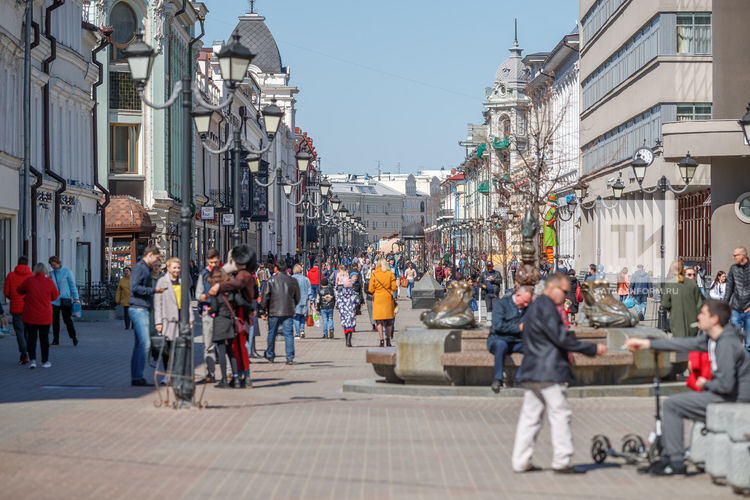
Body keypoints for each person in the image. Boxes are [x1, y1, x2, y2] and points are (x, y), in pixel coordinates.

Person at [625, 300, 750, 476]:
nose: (698, 316)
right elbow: (682, 344)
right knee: (673, 405)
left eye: (703, 313)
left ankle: (675, 463)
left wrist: (705, 383)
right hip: (725, 396)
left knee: (672, 405)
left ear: (714, 319)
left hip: (735, 401)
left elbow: (726, 385)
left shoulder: (726, 344)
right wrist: (647, 344)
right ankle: (669, 458)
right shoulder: (713, 339)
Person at [511, 273, 607, 474]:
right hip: (549, 370)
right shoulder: (547, 308)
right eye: (564, 291)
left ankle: (520, 461)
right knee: (560, 413)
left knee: (531, 416)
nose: (565, 296)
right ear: (552, 288)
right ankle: (562, 460)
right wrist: (591, 349)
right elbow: (561, 338)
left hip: (533, 369)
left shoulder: (535, 307)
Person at [209, 245, 259, 384]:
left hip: (241, 313)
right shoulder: (244, 274)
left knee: (240, 345)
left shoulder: (243, 275)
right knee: (237, 345)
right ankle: (241, 375)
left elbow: (236, 284)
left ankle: (245, 376)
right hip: (241, 312)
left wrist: (220, 285)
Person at [129, 245, 166, 387]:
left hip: (142, 308)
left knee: (139, 344)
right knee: (145, 344)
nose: (156, 261)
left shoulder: (145, 268)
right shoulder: (140, 267)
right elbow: (134, 287)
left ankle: (136, 377)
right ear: (150, 254)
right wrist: (153, 290)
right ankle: (138, 377)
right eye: (156, 258)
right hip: (138, 308)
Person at [154, 257, 194, 385]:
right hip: (168, 320)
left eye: (178, 268)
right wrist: (158, 322)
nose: (176, 270)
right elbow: (157, 303)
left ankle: (178, 374)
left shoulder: (182, 282)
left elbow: (188, 302)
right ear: (168, 268)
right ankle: (167, 375)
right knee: (167, 350)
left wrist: (191, 318)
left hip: (181, 318)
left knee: (180, 348)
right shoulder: (162, 282)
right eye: (174, 267)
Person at [487, 286, 533, 393]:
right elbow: (498, 326)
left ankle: (519, 378)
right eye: (525, 302)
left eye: (528, 302)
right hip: (499, 338)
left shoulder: (527, 307)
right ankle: (497, 379)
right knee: (500, 345)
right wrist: (518, 328)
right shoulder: (502, 304)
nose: (526, 305)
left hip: (517, 341)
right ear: (517, 295)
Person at [18, 263, 60, 369]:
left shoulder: (29, 281)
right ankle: (45, 361)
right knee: (44, 339)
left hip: (30, 315)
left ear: (35, 270)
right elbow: (55, 296)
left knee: (31, 338)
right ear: (45, 271)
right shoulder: (49, 282)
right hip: (45, 315)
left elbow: (19, 290)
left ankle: (32, 360)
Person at [259, 261, 300, 365]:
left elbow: (265, 297)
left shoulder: (271, 280)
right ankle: (289, 357)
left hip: (273, 312)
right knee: (289, 334)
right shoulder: (292, 280)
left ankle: (270, 355)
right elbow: (297, 296)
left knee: (271, 333)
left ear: (276, 268)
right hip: (288, 311)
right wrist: (292, 305)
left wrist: (263, 310)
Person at [208, 268, 239, 388]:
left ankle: (224, 379)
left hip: (220, 322)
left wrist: (208, 311)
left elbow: (214, 309)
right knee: (231, 351)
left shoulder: (217, 292)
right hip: (230, 322)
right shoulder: (231, 291)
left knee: (221, 351)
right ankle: (235, 378)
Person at [195, 248, 221, 382]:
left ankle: (228, 373)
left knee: (224, 345)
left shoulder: (224, 274)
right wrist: (203, 298)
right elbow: (198, 294)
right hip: (208, 311)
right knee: (208, 345)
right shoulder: (204, 274)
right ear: (207, 261)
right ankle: (211, 373)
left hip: (222, 313)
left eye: (216, 262)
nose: (214, 265)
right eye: (211, 262)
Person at [662, 261, 702, 337]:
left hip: (676, 320)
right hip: (692, 320)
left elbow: (665, 303)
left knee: (679, 343)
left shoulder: (670, 283)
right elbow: (699, 304)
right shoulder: (692, 283)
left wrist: (673, 309)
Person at [4, 256, 32, 365]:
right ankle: (25, 352)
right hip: (29, 308)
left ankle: (24, 353)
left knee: (19, 331)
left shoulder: (11, 275)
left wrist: (13, 298)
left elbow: (6, 292)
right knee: (27, 331)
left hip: (16, 308)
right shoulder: (31, 276)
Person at [48, 256, 79, 346]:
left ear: (58, 263)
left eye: (54, 265)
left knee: (67, 320)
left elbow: (72, 285)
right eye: (51, 265)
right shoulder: (51, 274)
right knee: (55, 321)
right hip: (54, 301)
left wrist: (76, 297)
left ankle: (73, 336)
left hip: (65, 299)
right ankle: (55, 340)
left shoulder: (67, 272)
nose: (52, 267)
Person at [725, 247, 750, 354]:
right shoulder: (733, 268)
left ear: (743, 256)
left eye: (736, 255)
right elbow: (729, 287)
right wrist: (724, 304)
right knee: (735, 342)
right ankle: (736, 368)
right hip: (735, 309)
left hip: (749, 310)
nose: (733, 257)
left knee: (749, 344)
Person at [368, 258, 398, 347]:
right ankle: (388, 339)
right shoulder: (390, 274)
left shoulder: (375, 274)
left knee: (379, 321)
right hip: (388, 299)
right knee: (389, 321)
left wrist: (376, 292)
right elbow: (394, 287)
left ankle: (381, 340)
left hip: (377, 299)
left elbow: (370, 289)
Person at [292, 264, 313, 339]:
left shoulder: (291, 279)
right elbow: (309, 290)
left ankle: (297, 334)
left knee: (295, 317)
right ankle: (302, 330)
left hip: (294, 301)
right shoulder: (306, 279)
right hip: (304, 301)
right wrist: (311, 300)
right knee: (302, 316)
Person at [338, 281, 359, 347]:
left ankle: (347, 339)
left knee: (345, 325)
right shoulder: (353, 293)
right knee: (350, 325)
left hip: (343, 312)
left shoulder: (340, 294)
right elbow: (357, 301)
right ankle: (348, 340)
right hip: (351, 311)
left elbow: (337, 303)